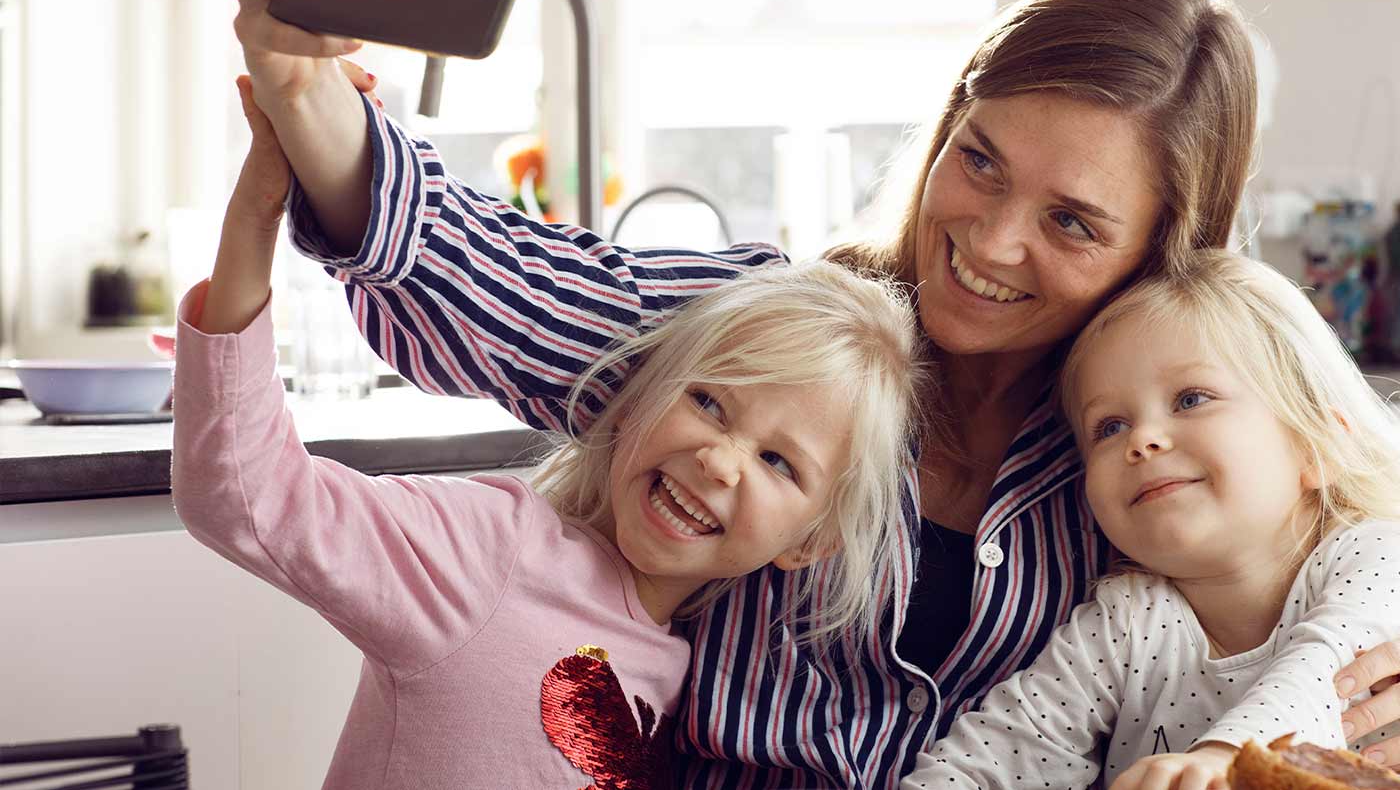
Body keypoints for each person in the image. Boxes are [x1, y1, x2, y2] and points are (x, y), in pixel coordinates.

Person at [231, 0, 1400, 784]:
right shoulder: (780, 343)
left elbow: (1305, 635)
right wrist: (304, 98)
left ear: (1161, 248)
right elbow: (469, 269)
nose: (992, 241)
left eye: (1069, 219)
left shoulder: (1142, 460)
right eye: (979, 162)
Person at [170, 78, 923, 789]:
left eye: (778, 462)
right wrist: (258, 209)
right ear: (631, 402)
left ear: (810, 543)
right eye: (709, 403)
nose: (720, 460)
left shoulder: (678, 667)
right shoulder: (491, 553)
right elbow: (244, 495)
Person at [903, 250, 1400, 790]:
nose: (1143, 440)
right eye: (1108, 427)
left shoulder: (1375, 556)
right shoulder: (1124, 624)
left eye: (1192, 398)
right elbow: (994, 760)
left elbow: (1326, 667)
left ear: (1318, 444)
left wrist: (1227, 760)